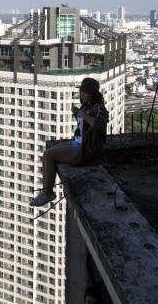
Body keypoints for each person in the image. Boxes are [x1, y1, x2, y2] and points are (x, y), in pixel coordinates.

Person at [30, 77, 109, 207]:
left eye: (85, 92)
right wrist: (77, 114)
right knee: (47, 153)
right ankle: (46, 191)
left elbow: (100, 125)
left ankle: (48, 193)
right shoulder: (86, 106)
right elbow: (83, 126)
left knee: (50, 155)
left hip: (87, 150)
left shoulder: (99, 108)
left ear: (93, 94)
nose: (82, 95)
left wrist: (83, 115)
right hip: (79, 143)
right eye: (81, 92)